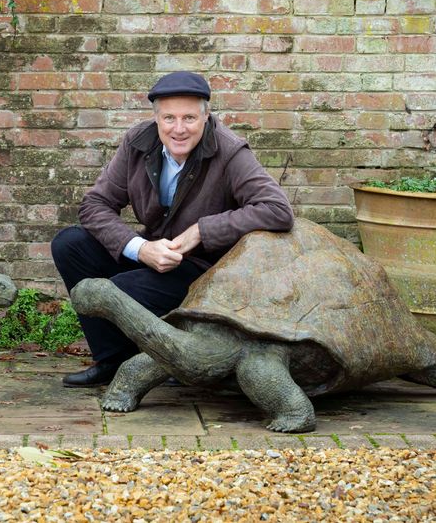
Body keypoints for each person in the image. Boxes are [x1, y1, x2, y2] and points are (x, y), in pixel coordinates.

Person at [51, 71, 295, 387]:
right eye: (169, 118)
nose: (178, 129)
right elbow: (94, 205)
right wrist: (139, 247)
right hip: (152, 253)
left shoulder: (230, 151)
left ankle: (165, 360)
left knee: (119, 291)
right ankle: (113, 359)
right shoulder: (138, 143)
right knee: (69, 244)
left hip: (200, 272)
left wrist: (200, 232)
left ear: (206, 117)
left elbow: (277, 210)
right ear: (157, 119)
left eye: (189, 118)